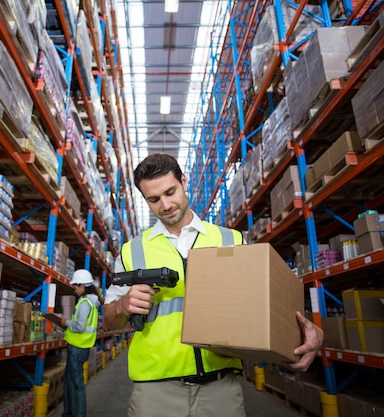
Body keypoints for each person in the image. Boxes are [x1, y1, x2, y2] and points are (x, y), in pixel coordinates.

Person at [104, 153, 324, 417]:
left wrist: (308, 333)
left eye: (170, 192)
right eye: (154, 199)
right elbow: (110, 320)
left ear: (183, 182)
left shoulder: (229, 240)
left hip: (221, 390)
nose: (165, 204)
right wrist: (123, 305)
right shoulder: (132, 251)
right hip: (155, 393)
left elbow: (266, 303)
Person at [60, 269, 101, 417]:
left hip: (77, 348)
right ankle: (69, 413)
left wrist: (66, 323)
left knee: (77, 385)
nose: (75, 289)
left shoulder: (85, 303)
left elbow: (79, 327)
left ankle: (78, 414)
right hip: (80, 347)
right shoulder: (92, 302)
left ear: (83, 286)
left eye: (76, 287)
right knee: (71, 383)